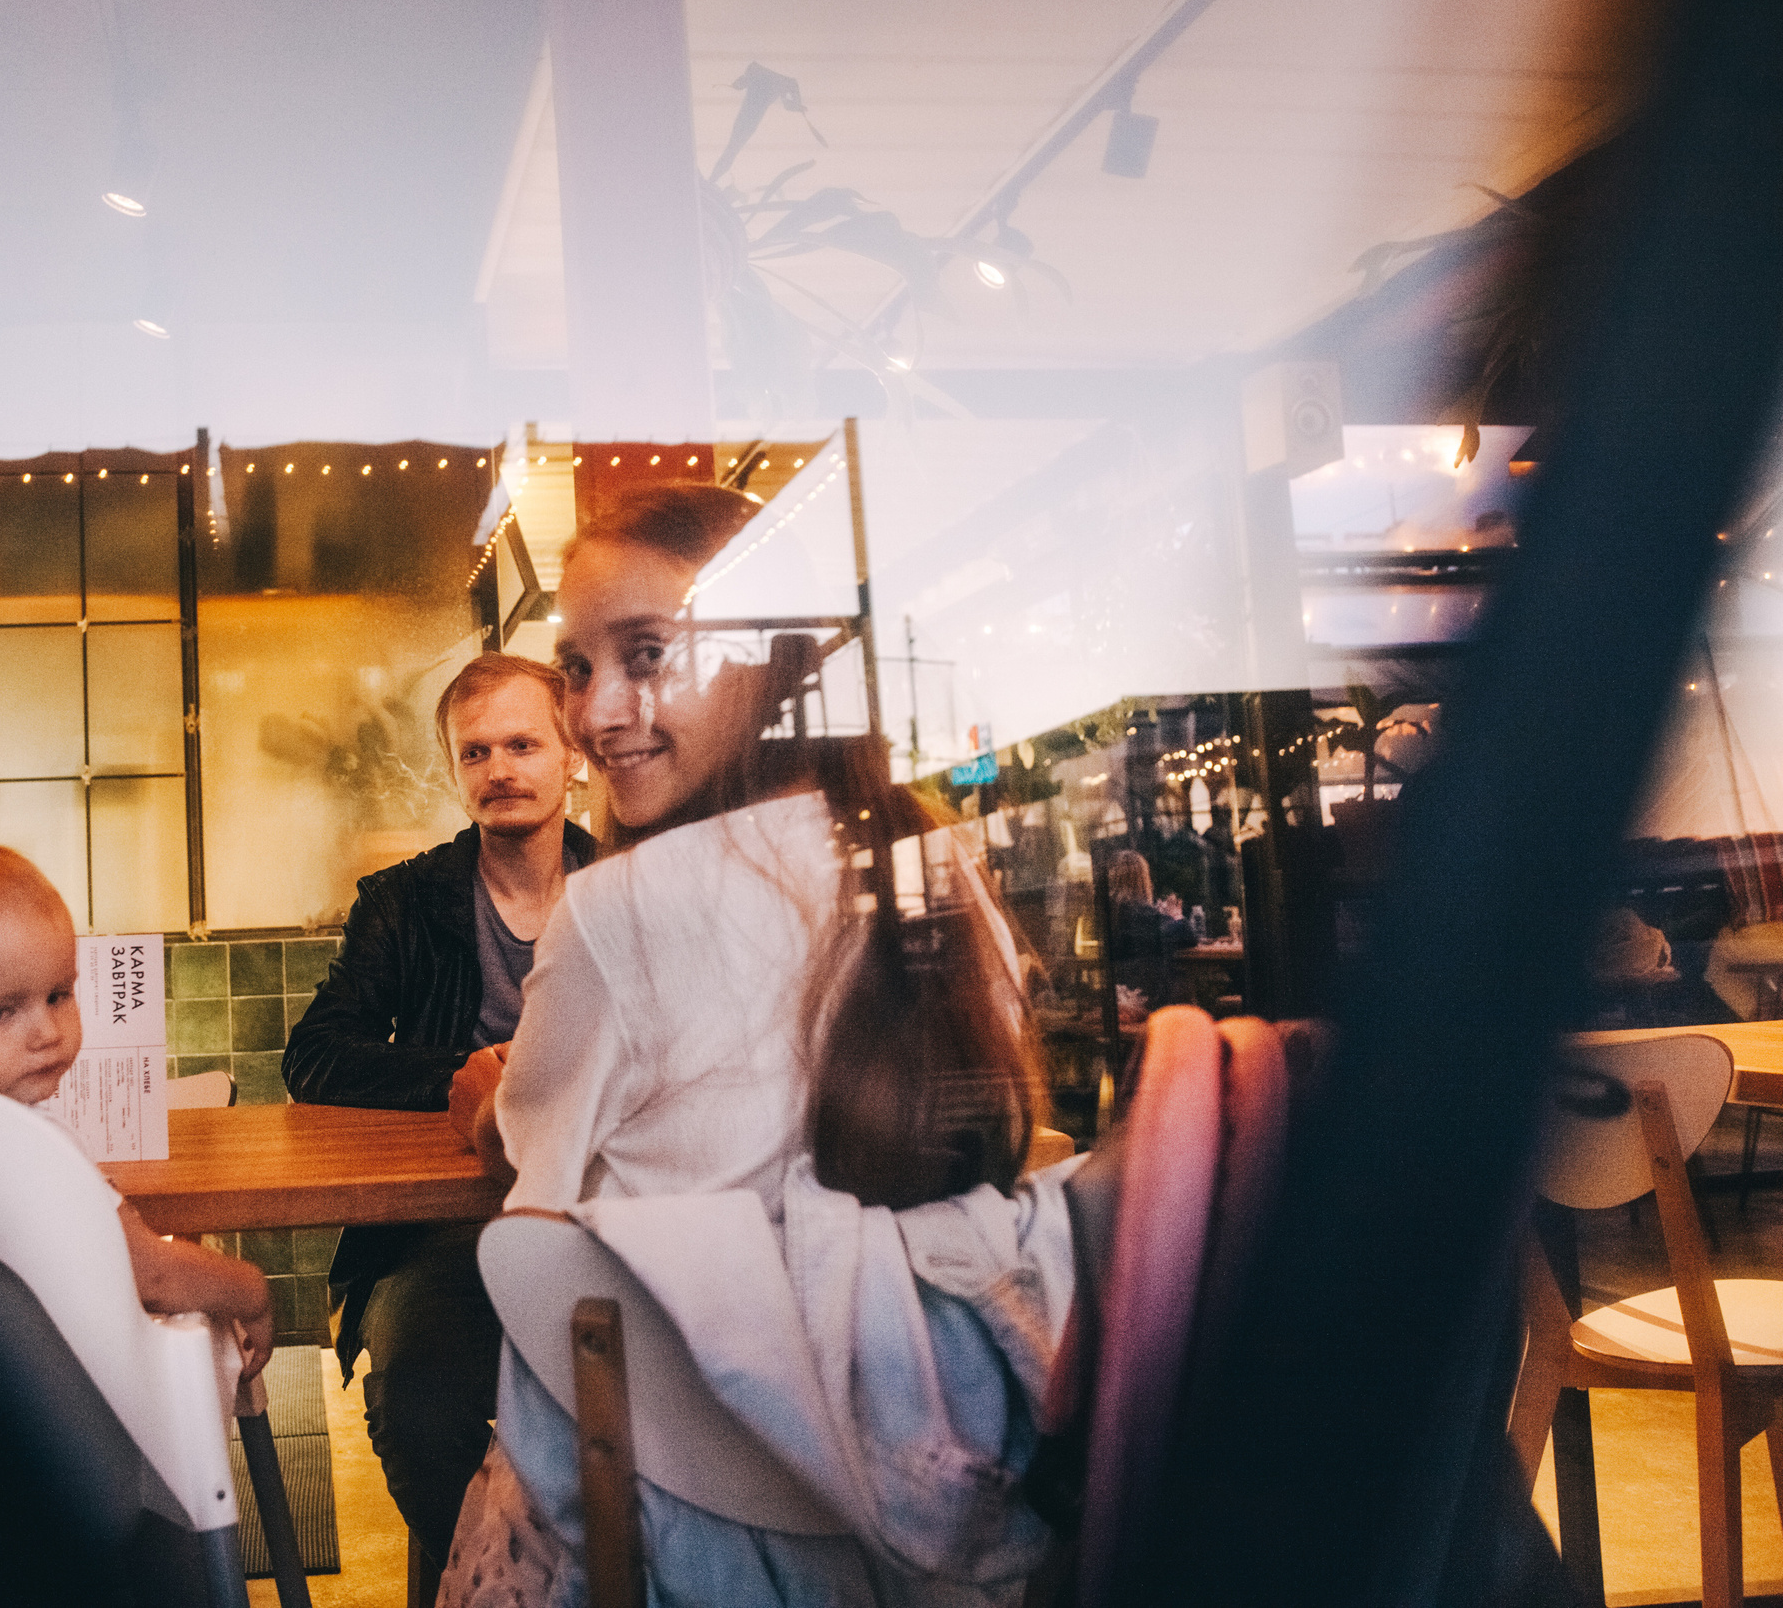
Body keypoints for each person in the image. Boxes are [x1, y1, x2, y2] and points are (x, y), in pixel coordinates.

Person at [441, 483, 1065, 1608]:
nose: (596, 713)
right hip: (943, 1512)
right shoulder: (940, 867)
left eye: (648, 654)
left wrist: (491, 1102)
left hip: (680, 1515)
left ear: (778, 661)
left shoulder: (618, 908)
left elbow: (536, 1201)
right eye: (579, 667)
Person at [282, 651, 598, 1580]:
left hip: (603, 1217)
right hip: (442, 1226)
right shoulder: (404, 900)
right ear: (456, 772)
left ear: (570, 753)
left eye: (522, 743)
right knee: (417, 1410)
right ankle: (509, 1581)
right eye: (475, 752)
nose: (499, 767)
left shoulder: (631, 889)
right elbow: (316, 1055)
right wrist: (469, 1077)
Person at [0, 839, 273, 1391]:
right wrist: (250, 1288)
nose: (48, 1032)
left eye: (58, 995)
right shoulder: (32, 1146)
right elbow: (153, 1274)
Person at [1105, 848, 1196, 1010]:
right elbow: (1188, 936)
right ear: (1142, 880)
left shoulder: (1109, 912)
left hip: (1113, 995)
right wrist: (1175, 915)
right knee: (1184, 986)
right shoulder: (1142, 913)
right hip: (1144, 1000)